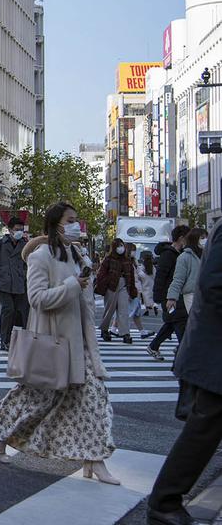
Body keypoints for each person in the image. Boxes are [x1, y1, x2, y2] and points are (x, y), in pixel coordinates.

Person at [0, 202, 119, 485]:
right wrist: (71, 286)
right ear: (56, 224)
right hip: (54, 342)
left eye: (76, 220)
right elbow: (37, 298)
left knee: (91, 400)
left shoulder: (76, 254)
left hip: (79, 343)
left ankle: (94, 461)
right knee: (33, 399)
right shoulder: (41, 256)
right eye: (71, 220)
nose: (76, 224)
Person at [147, 221, 222, 525]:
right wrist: (168, 298)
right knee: (203, 428)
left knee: (204, 426)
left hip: (211, 347)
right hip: (215, 349)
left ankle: (164, 502)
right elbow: (214, 286)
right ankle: (163, 502)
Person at [147, 225, 191, 361]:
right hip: (169, 295)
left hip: (175, 295)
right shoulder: (168, 254)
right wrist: (159, 296)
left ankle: (154, 346)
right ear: (181, 238)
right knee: (179, 321)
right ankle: (183, 351)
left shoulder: (178, 254)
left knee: (173, 322)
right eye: (188, 238)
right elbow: (161, 276)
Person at [0, 217, 29, 351]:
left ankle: (15, 339)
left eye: (21, 230)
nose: (19, 232)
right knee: (8, 309)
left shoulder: (24, 244)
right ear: (10, 230)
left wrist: (23, 273)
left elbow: (28, 262)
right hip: (3, 283)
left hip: (19, 282)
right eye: (17, 229)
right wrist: (1, 272)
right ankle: (4, 340)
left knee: (19, 312)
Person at [95, 238, 137, 344]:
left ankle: (125, 333)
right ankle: (104, 330)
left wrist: (132, 289)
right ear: (114, 248)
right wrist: (106, 283)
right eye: (118, 246)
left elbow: (131, 275)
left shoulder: (127, 260)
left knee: (124, 310)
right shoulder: (108, 259)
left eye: (121, 245)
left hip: (124, 285)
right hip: (111, 285)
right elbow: (101, 274)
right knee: (109, 309)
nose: (121, 248)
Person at [165, 228, 208, 328]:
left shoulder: (208, 255)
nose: (205, 240)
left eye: (206, 238)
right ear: (194, 239)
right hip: (191, 294)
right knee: (199, 322)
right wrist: (172, 298)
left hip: (207, 293)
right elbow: (178, 279)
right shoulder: (184, 257)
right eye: (202, 238)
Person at [138, 251, 159, 316]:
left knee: (145, 297)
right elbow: (155, 275)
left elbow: (139, 274)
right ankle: (154, 305)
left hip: (144, 283)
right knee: (151, 296)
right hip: (151, 283)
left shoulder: (142, 266)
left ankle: (148, 309)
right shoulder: (152, 267)